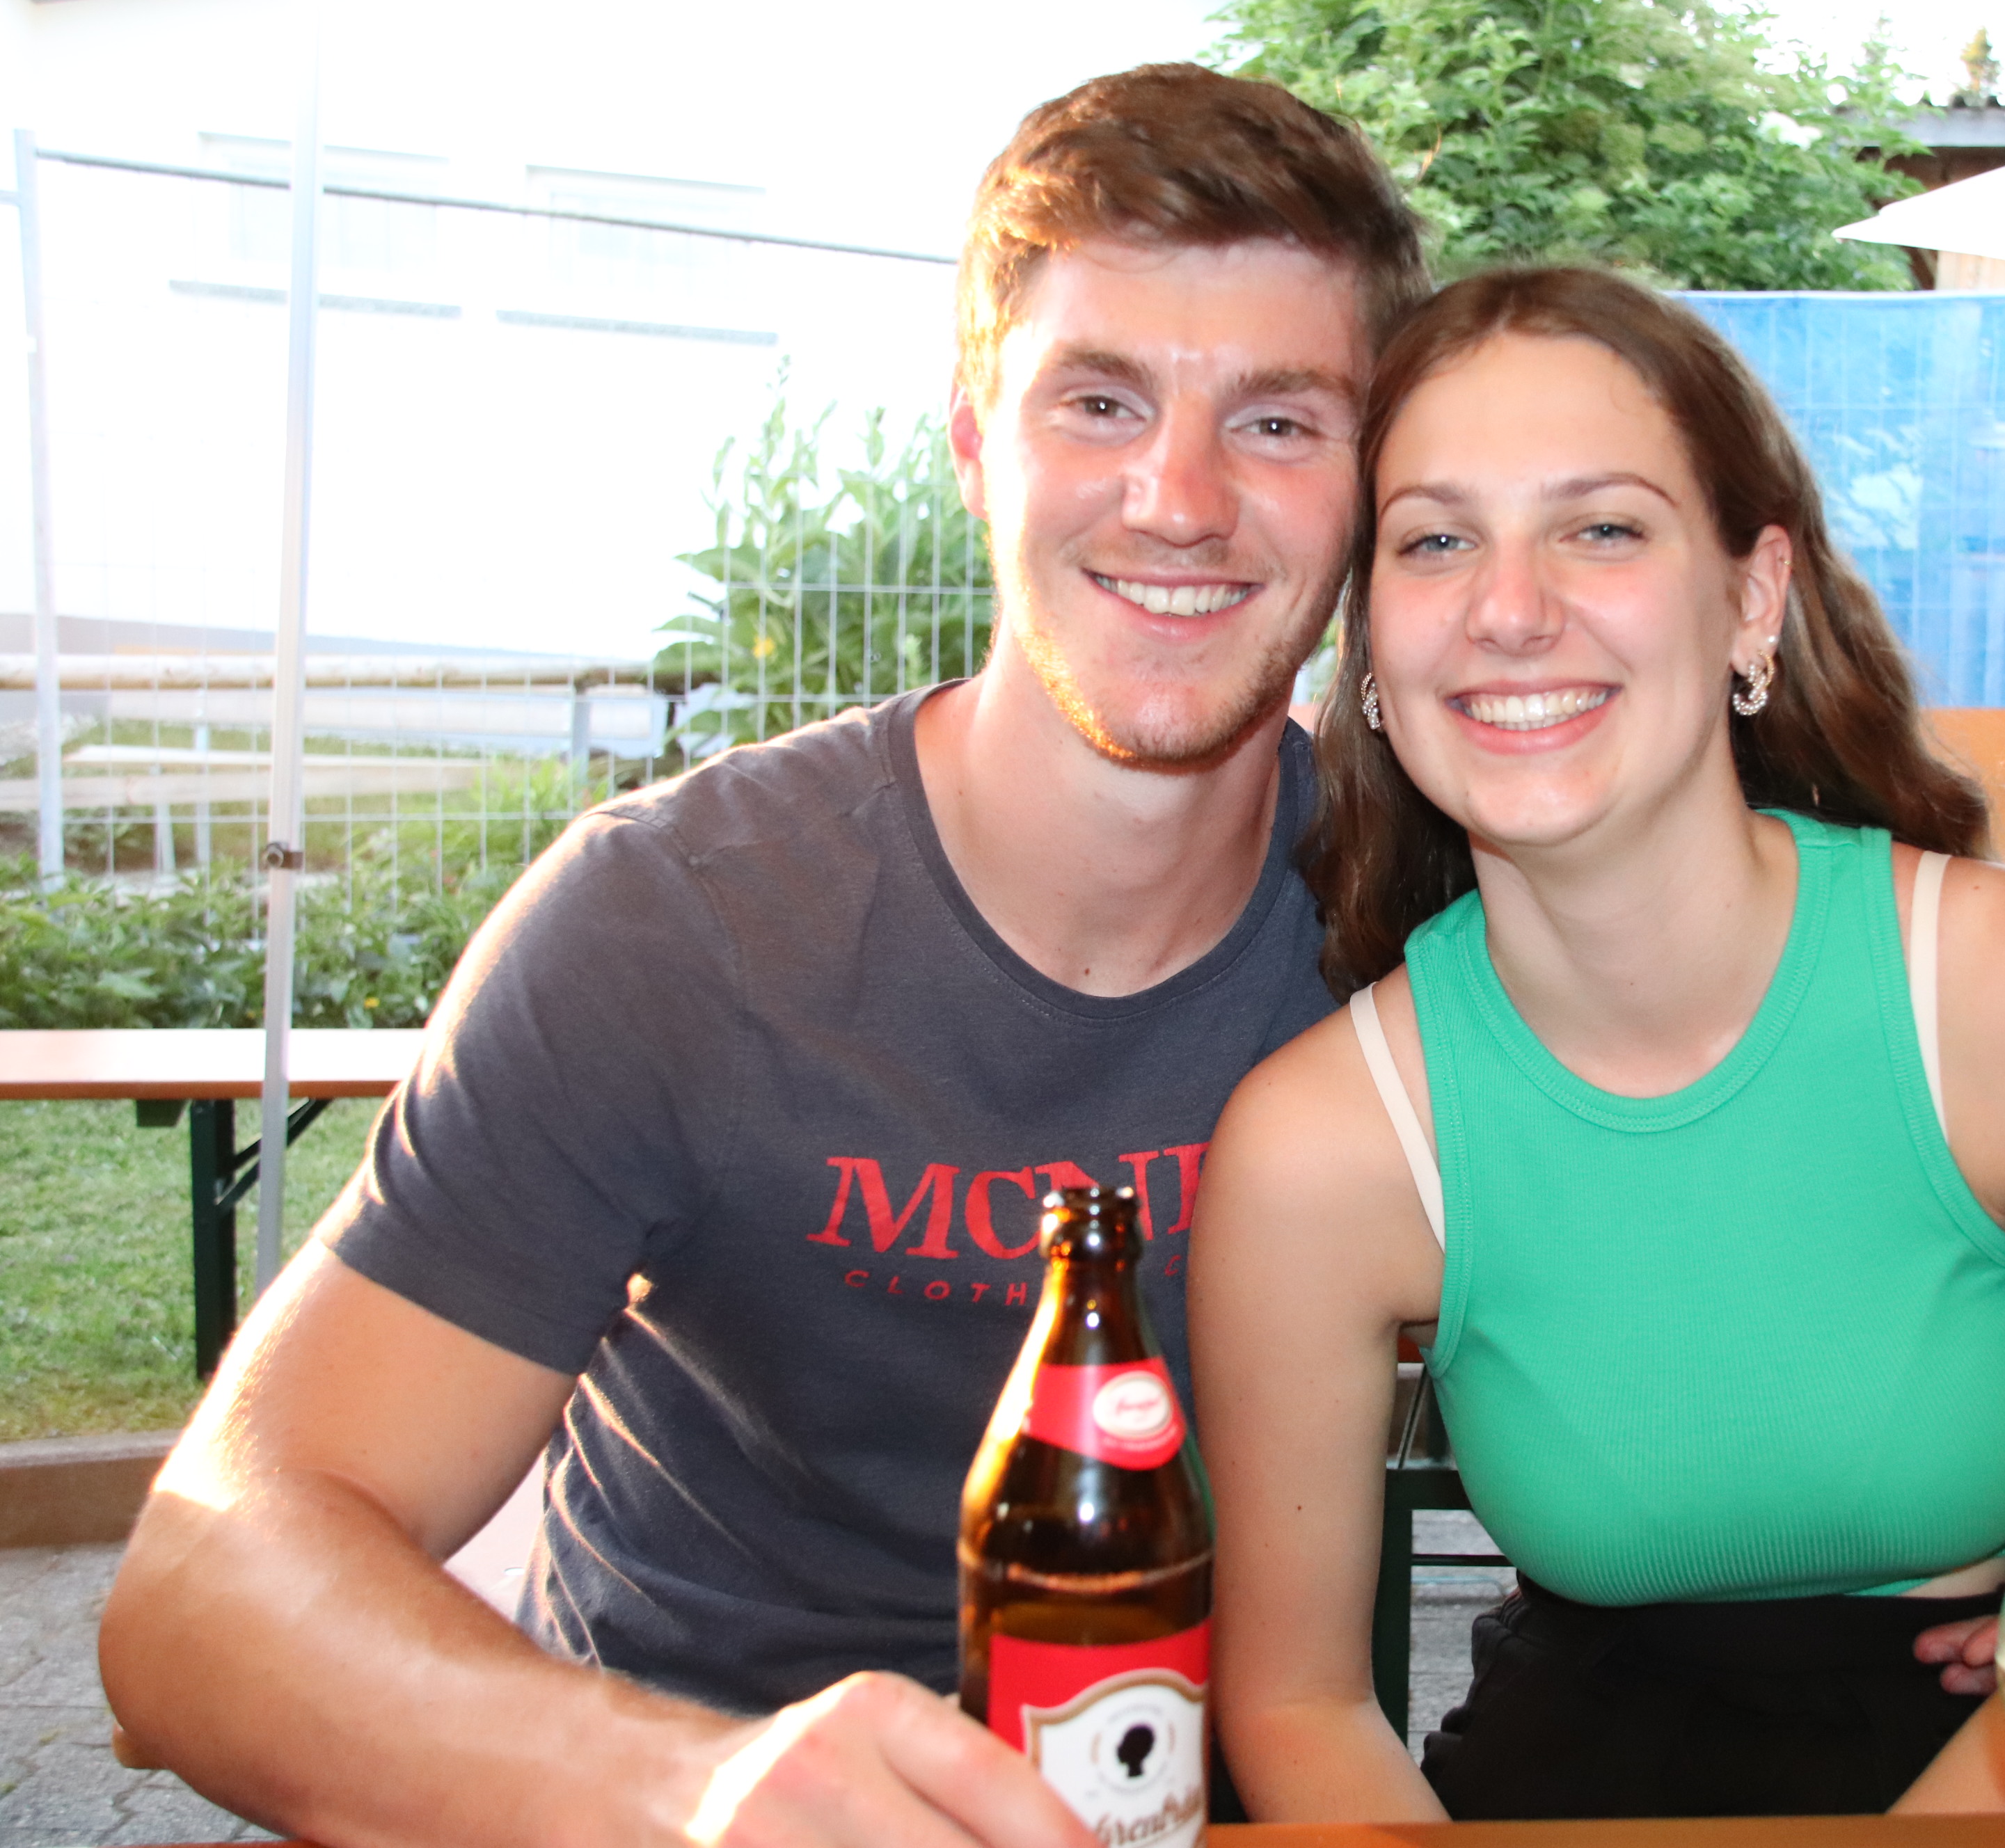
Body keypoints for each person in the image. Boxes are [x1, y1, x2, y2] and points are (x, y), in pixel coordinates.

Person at [98, 65, 1425, 1848]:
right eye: (1099, 401)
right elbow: (194, 1599)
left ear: (1365, 489)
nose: (1178, 497)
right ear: (977, 446)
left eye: (1277, 420)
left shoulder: (1414, 921)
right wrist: (688, 1783)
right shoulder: (679, 925)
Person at [1191, 266, 2005, 1822]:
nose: (1509, 608)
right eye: (1435, 541)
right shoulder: (1322, 1141)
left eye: (1602, 528)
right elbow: (1296, 1702)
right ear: (1370, 646)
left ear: (1754, 596)